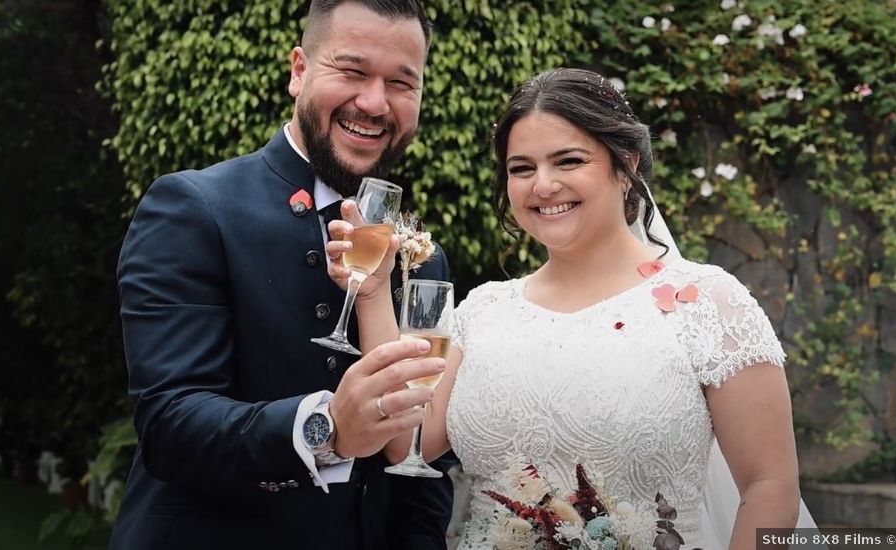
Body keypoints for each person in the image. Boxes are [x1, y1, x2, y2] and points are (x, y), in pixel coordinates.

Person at [342, 68, 815, 549]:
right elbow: (407, 441)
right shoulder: (482, 311)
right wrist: (373, 292)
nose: (543, 186)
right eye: (521, 168)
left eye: (568, 161)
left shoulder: (709, 303)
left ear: (625, 164)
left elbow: (769, 486)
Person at [109, 2, 453, 549]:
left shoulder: (425, 260)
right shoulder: (194, 207)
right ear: (299, 71)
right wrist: (328, 429)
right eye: (353, 71)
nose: (374, 102)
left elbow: (420, 472)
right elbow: (170, 425)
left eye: (401, 83)